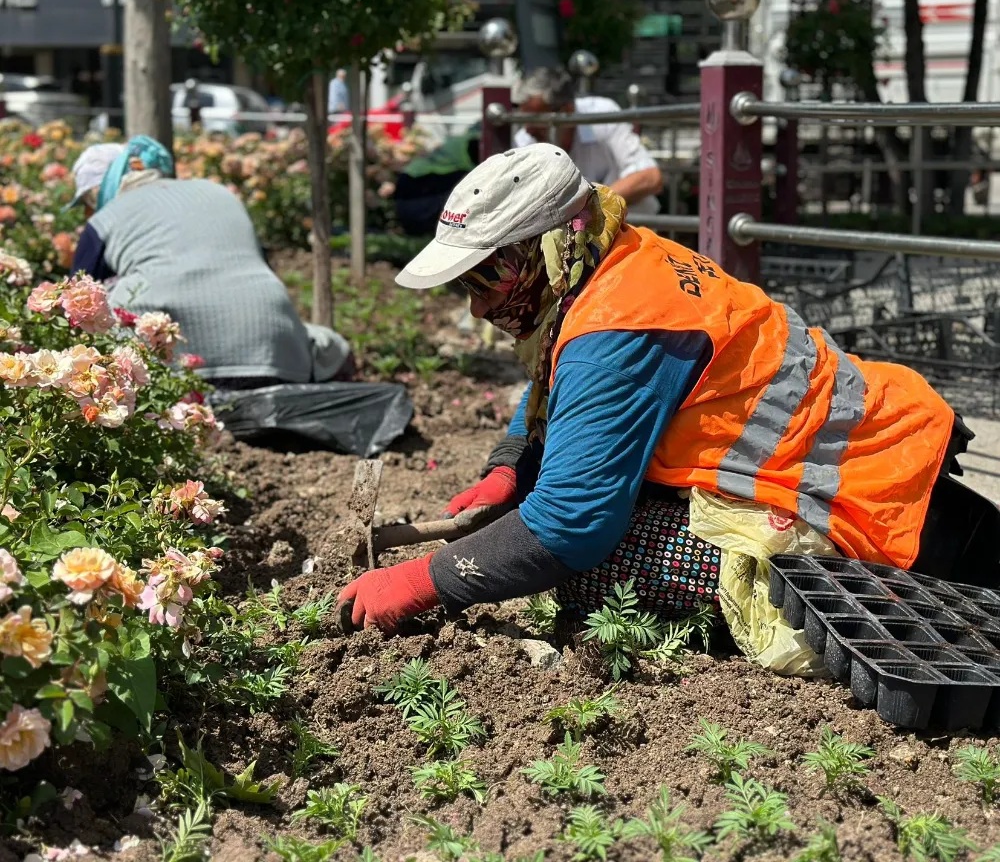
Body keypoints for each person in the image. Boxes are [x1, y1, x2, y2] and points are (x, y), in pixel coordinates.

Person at [338, 143, 991, 633]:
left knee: (600, 568)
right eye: (466, 286)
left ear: (549, 251)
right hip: (886, 447)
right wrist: (511, 465)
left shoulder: (618, 326)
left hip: (860, 512)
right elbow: (560, 383)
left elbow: (570, 527)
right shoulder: (619, 257)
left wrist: (428, 580)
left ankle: (843, 605)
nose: (478, 308)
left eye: (487, 280)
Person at [68, 136, 353, 387]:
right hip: (280, 361)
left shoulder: (106, 219)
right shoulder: (218, 192)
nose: (86, 214)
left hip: (173, 377)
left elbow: (76, 307)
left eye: (86, 204)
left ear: (100, 191)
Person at [511, 67, 663, 215]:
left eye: (536, 120)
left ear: (568, 111)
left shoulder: (601, 115)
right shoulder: (524, 141)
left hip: (633, 229)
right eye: (525, 119)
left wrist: (587, 210)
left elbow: (650, 177)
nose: (528, 130)